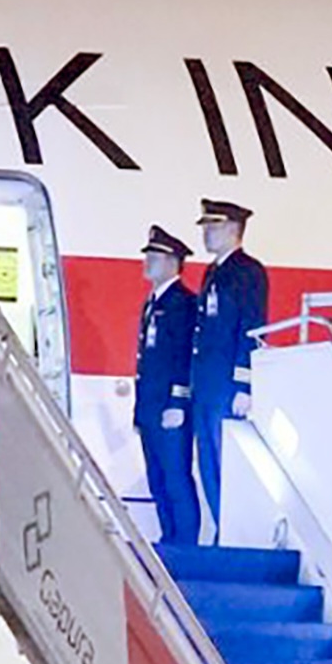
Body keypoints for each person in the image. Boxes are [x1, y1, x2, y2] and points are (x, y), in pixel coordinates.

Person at [186, 198, 268, 541]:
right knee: (207, 461)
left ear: (233, 229)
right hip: (205, 383)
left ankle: (232, 533)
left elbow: (251, 325)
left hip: (225, 384)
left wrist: (244, 384)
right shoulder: (213, 272)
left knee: (225, 460)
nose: (207, 233)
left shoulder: (248, 271)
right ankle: (221, 528)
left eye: (213, 226)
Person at [133, 224, 199, 548]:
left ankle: (185, 543)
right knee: (157, 477)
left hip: (169, 407)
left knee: (175, 477)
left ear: (173, 261)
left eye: (154, 256)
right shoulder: (154, 303)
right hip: (150, 407)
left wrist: (178, 401)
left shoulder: (182, 303)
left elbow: (184, 354)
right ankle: (169, 536)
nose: (147, 262)